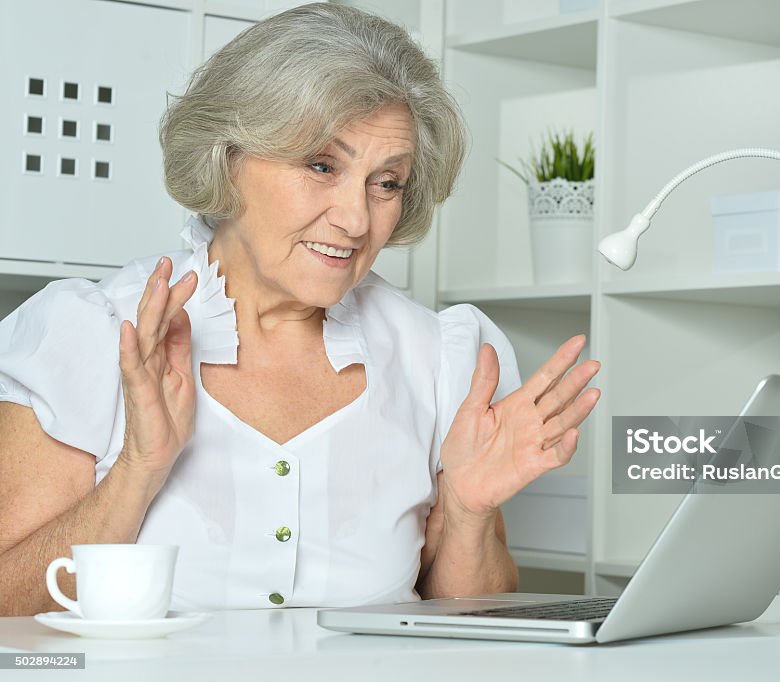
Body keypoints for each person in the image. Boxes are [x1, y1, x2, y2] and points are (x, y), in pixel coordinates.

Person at [0, 3, 600, 615]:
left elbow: (473, 627)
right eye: (321, 165)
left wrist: (470, 514)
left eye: (386, 182)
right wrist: (138, 468)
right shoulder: (99, 334)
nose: (357, 219)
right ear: (228, 157)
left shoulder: (436, 358)